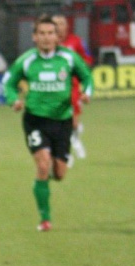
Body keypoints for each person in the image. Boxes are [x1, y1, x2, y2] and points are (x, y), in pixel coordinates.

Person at [2, 14, 93, 231]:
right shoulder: (27, 60)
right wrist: (13, 100)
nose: (46, 37)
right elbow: (9, 83)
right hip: (35, 121)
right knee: (43, 166)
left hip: (62, 122)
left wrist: (87, 92)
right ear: (34, 37)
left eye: (50, 33)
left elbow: (87, 77)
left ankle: (52, 166)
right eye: (41, 33)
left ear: (57, 36)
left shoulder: (68, 58)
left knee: (59, 174)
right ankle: (45, 219)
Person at [53, 14, 93, 162]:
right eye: (55, 24)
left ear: (66, 26)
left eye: (61, 23)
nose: (58, 26)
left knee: (74, 122)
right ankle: (65, 153)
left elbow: (88, 58)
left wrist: (80, 68)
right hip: (55, 88)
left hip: (73, 88)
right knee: (58, 121)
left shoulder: (76, 41)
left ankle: (75, 139)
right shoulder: (50, 44)